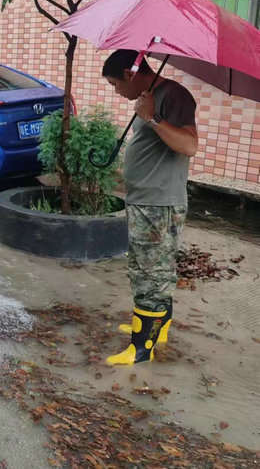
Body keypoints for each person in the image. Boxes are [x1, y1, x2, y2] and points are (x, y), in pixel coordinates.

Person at [102, 49, 198, 365]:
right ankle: (158, 329)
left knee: (149, 276)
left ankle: (140, 349)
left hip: (159, 204)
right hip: (146, 200)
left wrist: (153, 118)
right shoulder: (150, 96)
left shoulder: (173, 96)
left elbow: (189, 145)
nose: (117, 91)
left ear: (131, 74)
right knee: (153, 272)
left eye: (116, 84)